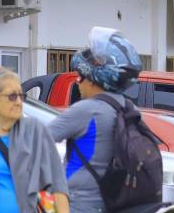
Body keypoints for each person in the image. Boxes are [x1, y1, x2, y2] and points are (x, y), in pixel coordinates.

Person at [48, 27, 143, 213]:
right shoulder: (128, 108)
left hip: (77, 204)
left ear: (92, 79)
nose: (77, 82)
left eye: (80, 76)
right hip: (113, 203)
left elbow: (38, 139)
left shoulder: (86, 110)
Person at [0, 66, 69, 213]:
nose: (19, 102)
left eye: (21, 96)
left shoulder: (35, 131)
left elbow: (58, 185)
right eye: (12, 97)